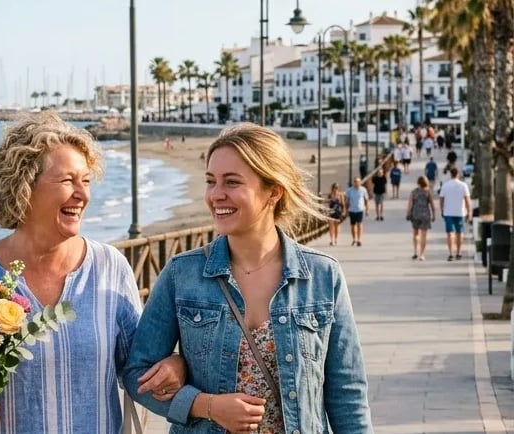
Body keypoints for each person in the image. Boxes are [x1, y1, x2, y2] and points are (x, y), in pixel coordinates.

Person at [0, 112, 184, 434]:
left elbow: (136, 367)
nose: (83, 194)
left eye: (85, 180)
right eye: (67, 181)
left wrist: (175, 365)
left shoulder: (110, 267)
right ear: (23, 187)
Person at [123, 124, 373, 434]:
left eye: (232, 182)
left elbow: (347, 393)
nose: (216, 195)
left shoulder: (322, 276)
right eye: (211, 181)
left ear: (274, 192)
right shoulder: (182, 274)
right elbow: (137, 374)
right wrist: (207, 405)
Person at [439, 167, 472, 261]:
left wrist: (442, 209)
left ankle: (450, 253)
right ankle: (459, 252)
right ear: (458, 174)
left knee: (450, 233)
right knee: (459, 232)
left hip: (448, 212)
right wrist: (469, 212)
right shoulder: (463, 185)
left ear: (450, 174)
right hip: (460, 212)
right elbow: (467, 200)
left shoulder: (445, 185)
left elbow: (441, 199)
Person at [406, 176, 436, 261]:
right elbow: (432, 205)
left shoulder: (414, 192)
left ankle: (415, 251)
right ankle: (422, 254)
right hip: (425, 215)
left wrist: (408, 213)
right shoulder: (428, 192)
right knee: (424, 235)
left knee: (415, 234)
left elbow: (410, 204)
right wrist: (434, 215)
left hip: (415, 215)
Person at [345, 177, 370, 246]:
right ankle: (354, 239)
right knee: (353, 225)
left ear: (360, 182)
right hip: (352, 209)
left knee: (359, 224)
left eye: (358, 181)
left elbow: (367, 200)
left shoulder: (363, 190)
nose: (357, 183)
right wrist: (346, 210)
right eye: (355, 181)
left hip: (360, 209)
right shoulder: (349, 190)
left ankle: (359, 239)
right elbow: (347, 201)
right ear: (354, 182)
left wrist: (367, 209)